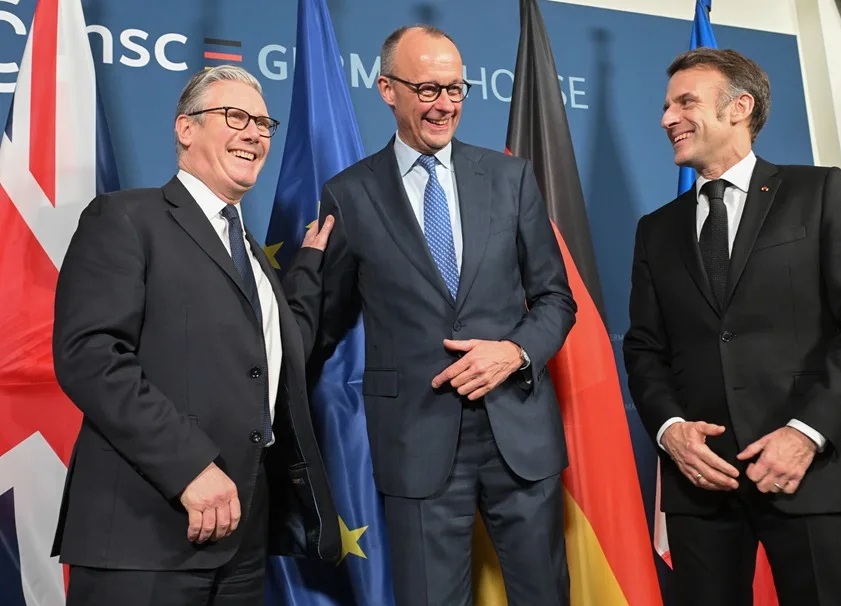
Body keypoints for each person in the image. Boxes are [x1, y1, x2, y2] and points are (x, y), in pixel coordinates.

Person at [285, 25, 575, 606]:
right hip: (415, 441)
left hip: (518, 434)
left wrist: (513, 352)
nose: (445, 105)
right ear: (387, 89)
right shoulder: (349, 194)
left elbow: (555, 299)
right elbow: (323, 324)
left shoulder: (511, 178)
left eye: (455, 89)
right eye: (427, 90)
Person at [52, 65, 340, 606]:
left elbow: (277, 355)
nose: (254, 133)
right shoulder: (126, 217)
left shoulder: (251, 253)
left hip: (241, 542)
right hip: (144, 538)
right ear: (186, 128)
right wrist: (189, 467)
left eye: (263, 123)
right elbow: (91, 355)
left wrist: (307, 269)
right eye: (236, 117)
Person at [623, 47, 841, 606]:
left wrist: (806, 433)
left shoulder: (818, 192)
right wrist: (671, 430)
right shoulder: (656, 229)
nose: (667, 118)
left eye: (685, 102)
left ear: (739, 107)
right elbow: (645, 348)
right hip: (702, 481)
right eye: (667, 106)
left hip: (812, 471)